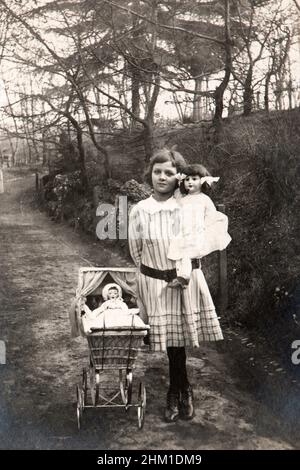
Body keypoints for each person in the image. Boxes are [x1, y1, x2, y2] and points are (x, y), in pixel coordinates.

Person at [128, 148, 224, 423]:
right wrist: (154, 274)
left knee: (178, 342)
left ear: (179, 176)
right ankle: (179, 390)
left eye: (169, 172)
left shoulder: (189, 206)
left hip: (184, 280)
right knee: (172, 342)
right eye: (157, 171)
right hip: (156, 282)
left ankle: (179, 390)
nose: (162, 177)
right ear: (150, 173)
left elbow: (202, 241)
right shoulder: (141, 210)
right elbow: (136, 251)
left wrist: (182, 271)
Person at [168, 163, 232, 287]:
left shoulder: (204, 199)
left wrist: (204, 227)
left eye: (194, 179)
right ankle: (182, 279)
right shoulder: (182, 199)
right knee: (180, 254)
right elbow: (176, 212)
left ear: (202, 181)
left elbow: (211, 215)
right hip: (184, 232)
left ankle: (184, 277)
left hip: (197, 232)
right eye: (187, 179)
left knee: (187, 255)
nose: (190, 182)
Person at [80, 283, 146, 332]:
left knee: (129, 320)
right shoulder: (106, 303)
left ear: (118, 294)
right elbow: (100, 309)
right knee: (101, 322)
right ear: (107, 295)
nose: (113, 295)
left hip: (120, 315)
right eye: (110, 293)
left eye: (115, 293)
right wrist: (92, 314)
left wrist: (136, 310)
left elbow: (126, 311)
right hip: (108, 315)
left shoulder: (120, 303)